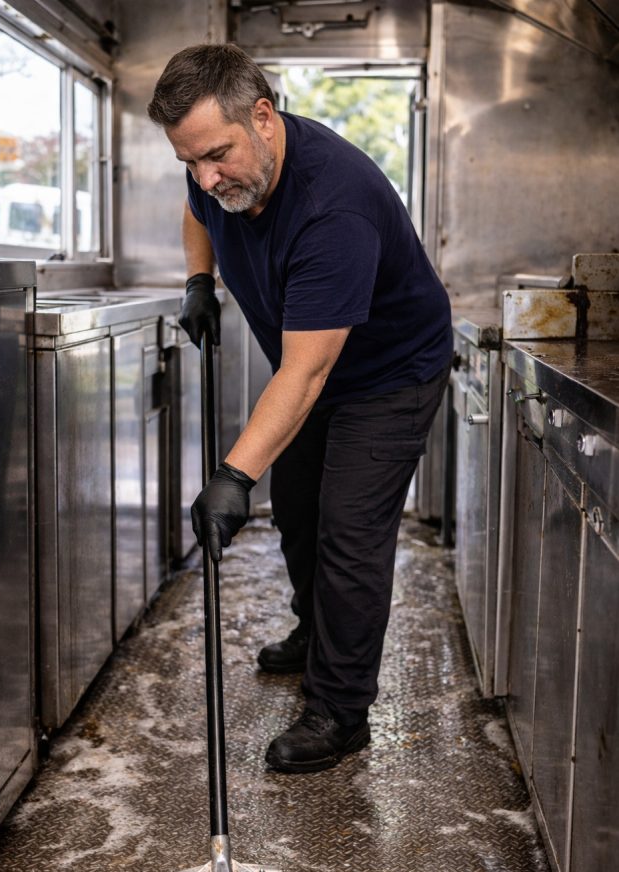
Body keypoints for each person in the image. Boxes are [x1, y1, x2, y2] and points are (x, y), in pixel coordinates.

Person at [148, 44, 452, 775]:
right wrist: (199, 282)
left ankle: (341, 711)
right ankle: (316, 633)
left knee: (348, 531)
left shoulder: (332, 205)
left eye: (216, 155)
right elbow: (196, 210)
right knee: (298, 512)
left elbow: (307, 370)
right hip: (313, 371)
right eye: (189, 161)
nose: (205, 176)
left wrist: (231, 476)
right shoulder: (219, 168)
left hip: (388, 374)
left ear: (263, 117)